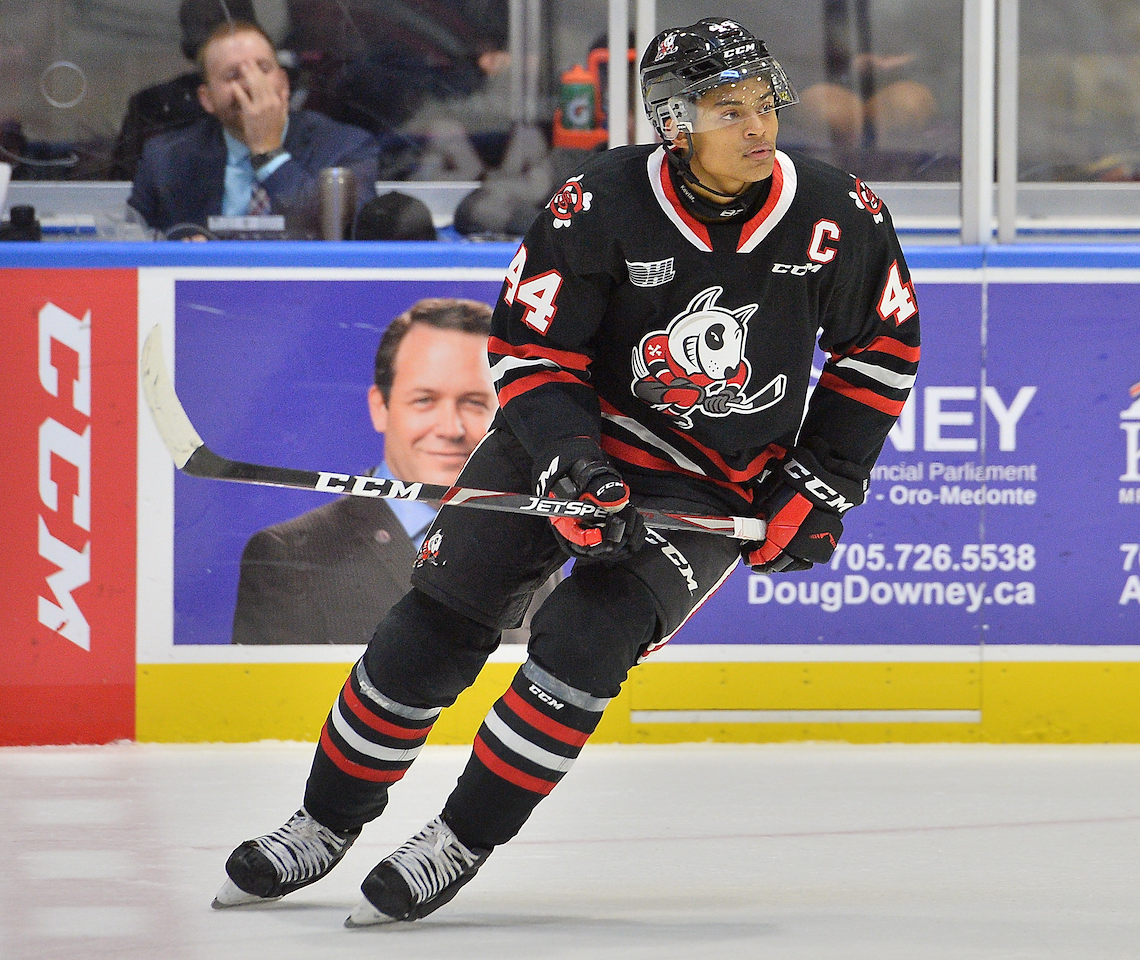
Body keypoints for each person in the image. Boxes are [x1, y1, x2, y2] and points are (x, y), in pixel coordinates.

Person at [211, 17, 920, 926]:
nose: (759, 127)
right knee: (436, 624)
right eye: (729, 110)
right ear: (674, 123)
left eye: (764, 105)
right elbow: (532, 355)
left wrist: (821, 483)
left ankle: (459, 839)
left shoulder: (838, 214)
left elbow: (882, 351)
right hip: (563, 441)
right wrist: (574, 466)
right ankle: (323, 822)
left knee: (585, 643)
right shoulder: (598, 204)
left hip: (706, 480)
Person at [231, 297, 552, 646]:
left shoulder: (529, 546)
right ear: (380, 408)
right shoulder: (290, 555)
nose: (450, 428)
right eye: (424, 400)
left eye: (474, 402)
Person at [128, 19, 378, 236]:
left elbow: (339, 235)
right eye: (233, 75)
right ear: (207, 99)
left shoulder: (344, 147)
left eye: (263, 69)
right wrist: (180, 250)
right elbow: (133, 240)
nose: (251, 84)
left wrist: (268, 152)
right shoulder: (166, 159)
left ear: (284, 84)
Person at [109, 0, 257, 181]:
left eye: (263, 66)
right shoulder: (152, 105)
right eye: (200, 25)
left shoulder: (283, 103)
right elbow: (123, 184)